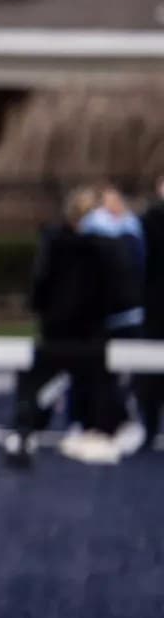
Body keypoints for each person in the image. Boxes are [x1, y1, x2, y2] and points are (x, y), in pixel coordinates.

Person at [9, 187, 118, 467]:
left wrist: (40, 310)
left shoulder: (58, 243)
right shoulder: (101, 247)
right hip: (85, 333)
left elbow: (40, 283)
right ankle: (85, 431)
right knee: (87, 384)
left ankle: (28, 431)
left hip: (60, 329)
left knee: (39, 383)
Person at [80, 186, 147, 454]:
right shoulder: (94, 229)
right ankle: (102, 420)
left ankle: (125, 417)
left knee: (131, 371)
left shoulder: (134, 230)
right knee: (102, 372)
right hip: (104, 315)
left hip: (130, 313)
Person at [139, 175, 164, 450]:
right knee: (150, 369)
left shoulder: (148, 220)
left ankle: (150, 426)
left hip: (154, 305)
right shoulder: (150, 221)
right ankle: (149, 426)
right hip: (155, 306)